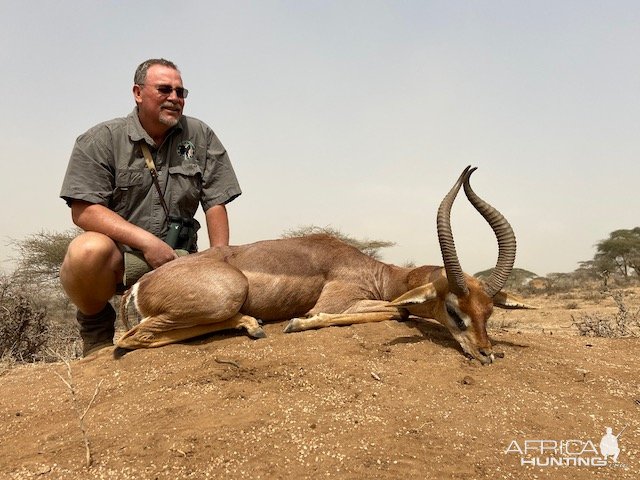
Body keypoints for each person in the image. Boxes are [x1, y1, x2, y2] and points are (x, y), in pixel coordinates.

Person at [59, 58, 241, 356]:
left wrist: (218, 259)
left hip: (179, 260)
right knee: (86, 251)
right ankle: (96, 328)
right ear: (138, 93)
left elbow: (215, 202)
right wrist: (147, 243)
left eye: (181, 92)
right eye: (164, 89)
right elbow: (84, 210)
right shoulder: (100, 140)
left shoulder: (200, 136)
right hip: (121, 260)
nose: (174, 98)